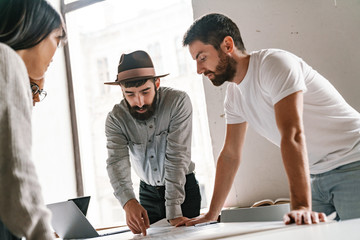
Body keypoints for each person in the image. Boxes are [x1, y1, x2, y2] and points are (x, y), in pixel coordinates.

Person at [180, 13, 360, 226]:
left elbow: (292, 133)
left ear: (227, 45)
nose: (199, 69)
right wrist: (211, 215)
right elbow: (230, 155)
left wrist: (301, 205)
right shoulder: (234, 96)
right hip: (315, 176)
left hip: (352, 162)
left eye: (202, 57)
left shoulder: (273, 64)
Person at [104, 50, 201, 235]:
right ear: (121, 91)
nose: (139, 102)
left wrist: (174, 208)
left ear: (157, 83)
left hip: (183, 189)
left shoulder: (178, 102)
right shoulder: (116, 119)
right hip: (147, 193)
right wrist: (128, 202)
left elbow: (177, 157)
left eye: (145, 92)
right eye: (130, 94)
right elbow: (116, 162)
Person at [0, 0, 66, 239]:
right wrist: (43, 233)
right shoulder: (5, 59)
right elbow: (15, 170)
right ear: (34, 28)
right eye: (57, 38)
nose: (57, 50)